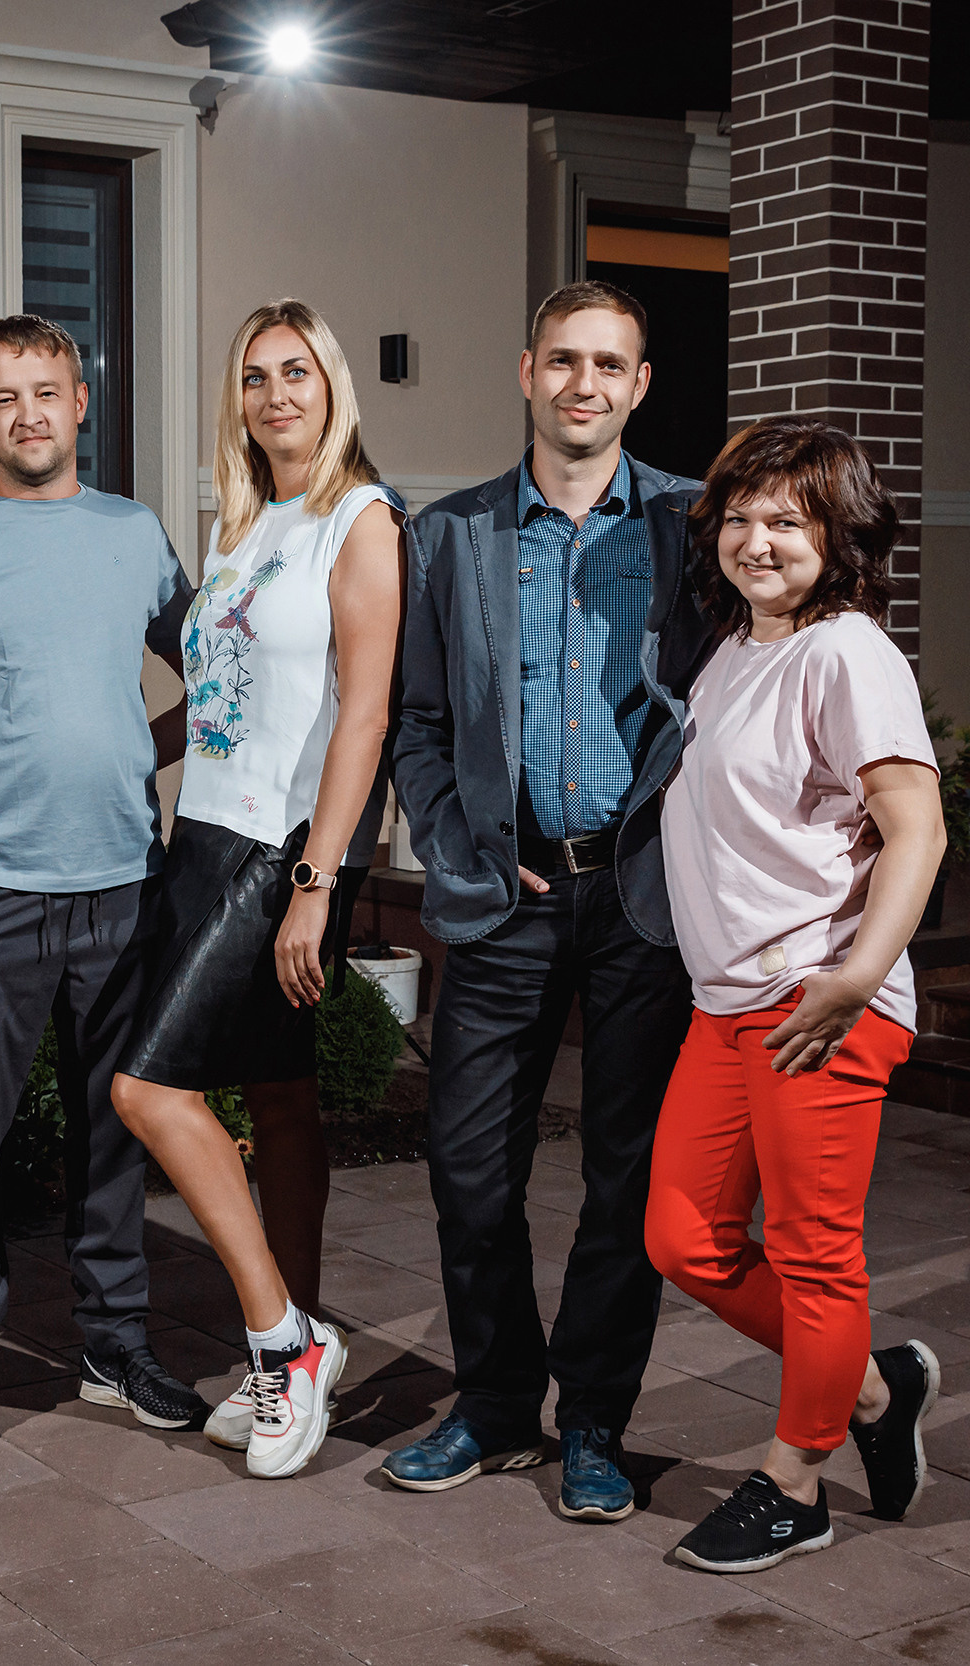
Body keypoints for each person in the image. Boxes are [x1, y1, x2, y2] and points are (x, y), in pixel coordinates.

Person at [385, 281, 710, 1520]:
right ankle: (491, 1404)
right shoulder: (451, 534)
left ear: (638, 385)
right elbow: (418, 721)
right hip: (505, 891)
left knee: (623, 1179)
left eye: (609, 365)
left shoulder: (693, 523)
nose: (584, 384)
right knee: (469, 1167)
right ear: (526, 371)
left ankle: (592, 1424)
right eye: (563, 360)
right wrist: (459, 831)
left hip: (642, 902)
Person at [0, 315, 207, 1468]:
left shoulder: (134, 535)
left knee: (117, 1136)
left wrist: (146, 735)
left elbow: (221, 672)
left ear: (79, 402)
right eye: (2, 396)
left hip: (125, 886)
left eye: (46, 391)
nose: (27, 413)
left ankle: (115, 1345)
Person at [108, 299, 404, 1480]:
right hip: (206, 835)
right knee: (278, 1097)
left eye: (296, 372)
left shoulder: (360, 520)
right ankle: (302, 1332)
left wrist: (317, 884)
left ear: (331, 385)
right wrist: (136, 745)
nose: (276, 394)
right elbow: (228, 693)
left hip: (283, 847)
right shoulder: (243, 522)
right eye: (253, 377)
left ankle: (282, 1341)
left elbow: (364, 713)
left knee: (146, 1089)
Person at [644, 417, 945, 1574]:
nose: (756, 540)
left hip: (815, 998)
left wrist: (858, 976)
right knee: (682, 1235)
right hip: (726, 1001)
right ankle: (873, 1383)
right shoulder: (736, 648)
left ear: (838, 535)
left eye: (786, 521)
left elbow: (915, 829)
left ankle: (795, 1480)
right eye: (740, 517)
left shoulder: (845, 651)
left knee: (816, 1256)